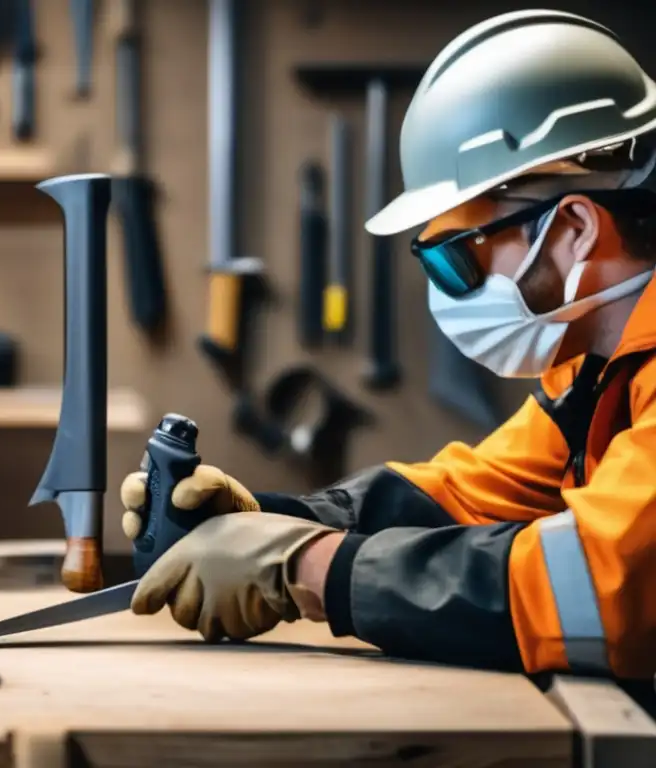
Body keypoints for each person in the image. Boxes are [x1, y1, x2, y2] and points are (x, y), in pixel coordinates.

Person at [120, 9, 656, 680]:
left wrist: (307, 567)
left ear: (574, 229)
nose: (446, 290)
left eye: (456, 258)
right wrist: (274, 519)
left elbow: (604, 588)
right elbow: (476, 495)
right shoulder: (598, 364)